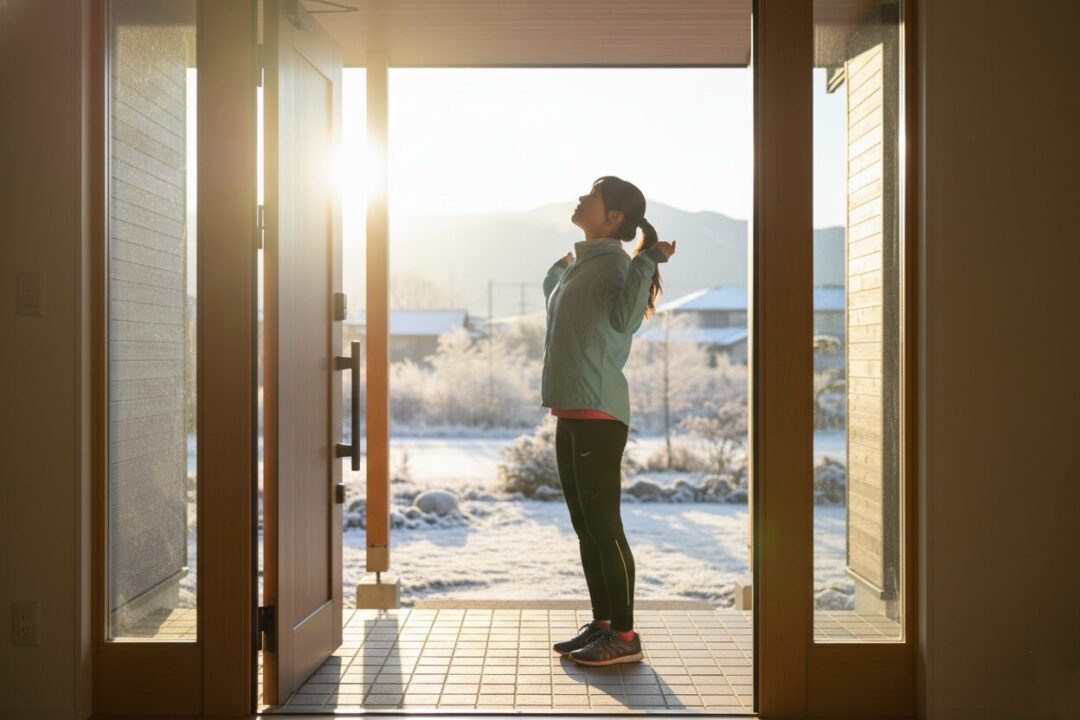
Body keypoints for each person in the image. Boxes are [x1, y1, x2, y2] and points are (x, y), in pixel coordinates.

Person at [541, 175, 676, 666]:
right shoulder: (585, 265)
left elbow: (623, 321)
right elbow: (566, 318)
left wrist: (646, 261)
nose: (581, 198)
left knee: (604, 526)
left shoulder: (616, 266)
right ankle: (602, 624)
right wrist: (555, 277)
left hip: (599, 412)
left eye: (592, 195)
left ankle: (624, 635)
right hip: (572, 408)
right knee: (585, 525)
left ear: (614, 217)